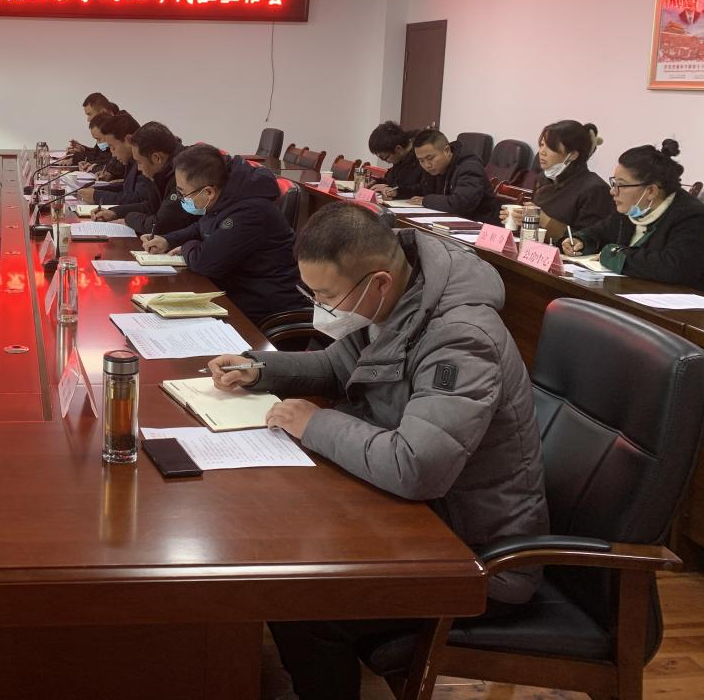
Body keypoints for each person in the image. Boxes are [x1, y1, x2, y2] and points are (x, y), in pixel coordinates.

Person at [208, 202, 548, 700]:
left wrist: (315, 423)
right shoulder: (398, 300)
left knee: (301, 604)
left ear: (379, 283)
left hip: (475, 557)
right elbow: (336, 364)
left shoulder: (461, 340)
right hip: (416, 519)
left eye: (327, 296)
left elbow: (417, 466)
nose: (320, 308)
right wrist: (261, 370)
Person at [140, 144, 304, 324]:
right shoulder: (227, 194)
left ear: (208, 192)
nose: (181, 199)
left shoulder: (249, 212)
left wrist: (187, 246)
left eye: (183, 193)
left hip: (265, 304)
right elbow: (202, 227)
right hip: (238, 288)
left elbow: (205, 262)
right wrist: (168, 240)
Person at [563, 139, 704, 290]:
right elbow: (599, 233)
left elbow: (674, 267)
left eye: (621, 185)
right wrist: (581, 241)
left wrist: (615, 256)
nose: (613, 191)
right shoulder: (632, 208)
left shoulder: (692, 216)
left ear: (651, 191)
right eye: (614, 183)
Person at [504, 120, 612, 241]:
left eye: (551, 147)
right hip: (534, 247)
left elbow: (588, 240)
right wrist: (518, 219)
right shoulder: (543, 178)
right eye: (542, 145)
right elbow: (534, 227)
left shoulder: (595, 189)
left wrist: (545, 220)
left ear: (572, 155)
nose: (542, 152)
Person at [93, 121, 195, 235]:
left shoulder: (183, 173)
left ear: (157, 158)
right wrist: (115, 212)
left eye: (139, 162)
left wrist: (128, 218)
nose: (139, 169)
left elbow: (160, 225)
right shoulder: (162, 169)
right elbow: (151, 206)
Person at [409, 129, 499, 224]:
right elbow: (421, 188)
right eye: (421, 160)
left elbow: (461, 204)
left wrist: (426, 200)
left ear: (447, 151)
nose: (427, 165)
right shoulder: (434, 168)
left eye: (430, 158)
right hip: (448, 222)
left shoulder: (469, 166)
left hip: (477, 225)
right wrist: (400, 192)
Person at [89, 112, 152, 206]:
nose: (112, 153)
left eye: (113, 147)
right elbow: (127, 188)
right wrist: (96, 190)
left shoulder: (145, 162)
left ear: (128, 140)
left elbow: (138, 199)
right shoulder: (131, 160)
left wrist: (97, 196)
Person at [367, 121, 425, 199]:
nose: (387, 162)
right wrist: (376, 182)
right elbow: (393, 181)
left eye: (385, 158)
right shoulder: (400, 158)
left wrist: (395, 191)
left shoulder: (422, 158)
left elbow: (422, 189)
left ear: (398, 149)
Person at [68, 93, 118, 161]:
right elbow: (98, 153)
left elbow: (105, 158)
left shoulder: (120, 127)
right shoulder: (107, 124)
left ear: (103, 111)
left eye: (90, 114)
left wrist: (76, 157)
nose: (88, 120)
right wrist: (83, 149)